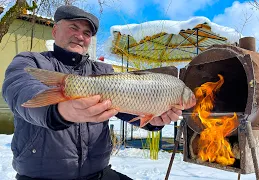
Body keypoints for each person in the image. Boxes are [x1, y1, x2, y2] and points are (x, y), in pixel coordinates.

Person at [2, 5, 182, 180]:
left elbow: (128, 106)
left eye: (87, 33)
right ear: (55, 30)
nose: (80, 36)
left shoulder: (103, 71)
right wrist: (59, 111)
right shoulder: (31, 61)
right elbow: (20, 91)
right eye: (73, 27)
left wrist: (153, 119)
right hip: (41, 176)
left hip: (98, 173)